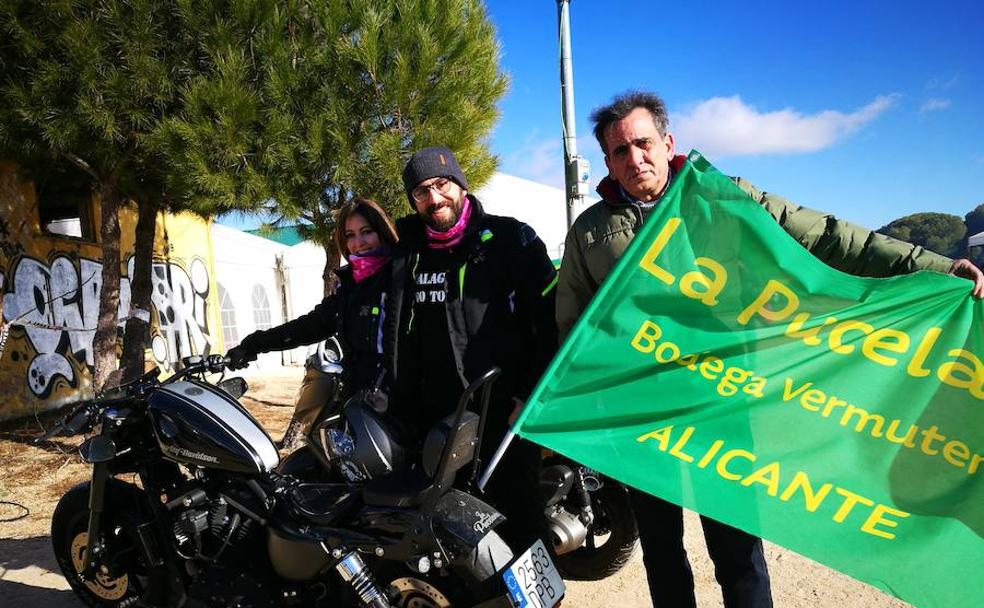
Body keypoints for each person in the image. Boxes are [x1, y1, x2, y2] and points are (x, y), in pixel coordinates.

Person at [556, 91, 984, 608]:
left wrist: (933, 267)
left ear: (668, 143)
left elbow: (830, 237)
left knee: (736, 547)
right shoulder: (591, 231)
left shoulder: (724, 199)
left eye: (642, 144)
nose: (634, 159)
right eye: (619, 151)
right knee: (661, 551)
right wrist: (578, 405)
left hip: (725, 400)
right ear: (606, 161)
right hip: (641, 412)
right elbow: (574, 325)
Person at [383, 146, 559, 548]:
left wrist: (529, 395)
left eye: (442, 184)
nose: (434, 198)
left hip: (506, 412)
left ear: (460, 184)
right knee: (457, 529)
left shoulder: (511, 238)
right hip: (439, 419)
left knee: (522, 522)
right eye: (421, 192)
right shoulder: (407, 251)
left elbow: (550, 322)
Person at [227, 198, 399, 450]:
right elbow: (310, 326)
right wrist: (255, 343)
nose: (358, 243)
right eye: (350, 235)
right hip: (358, 407)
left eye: (366, 232)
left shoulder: (402, 277)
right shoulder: (349, 287)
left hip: (395, 412)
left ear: (382, 231)